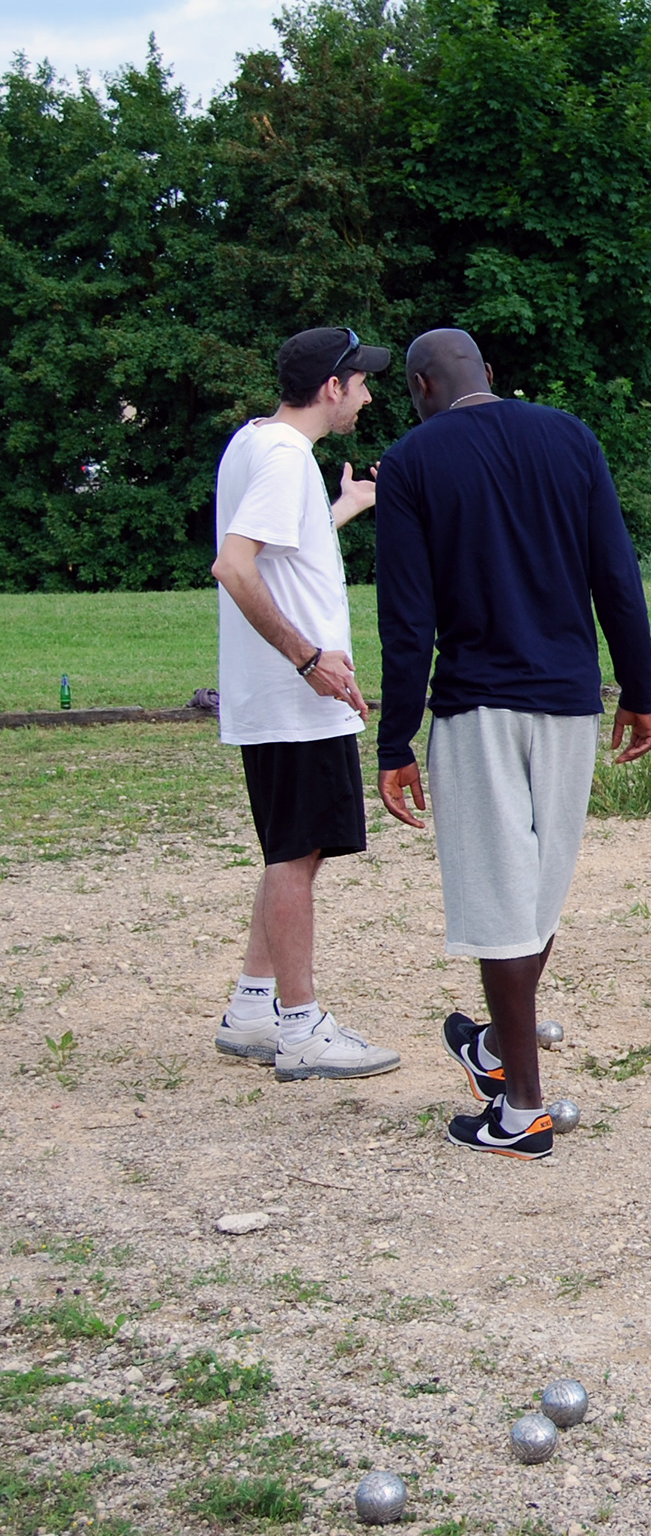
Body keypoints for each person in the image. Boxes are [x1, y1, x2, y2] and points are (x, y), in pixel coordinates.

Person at [374, 329, 651, 1159]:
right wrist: (639, 691)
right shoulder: (570, 436)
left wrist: (395, 740)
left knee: (502, 902)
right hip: (570, 702)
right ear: (489, 374)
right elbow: (617, 576)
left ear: (422, 387)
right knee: (535, 895)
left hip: (479, 706)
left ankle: (520, 1109)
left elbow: (407, 620)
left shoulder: (413, 461)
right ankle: (497, 1045)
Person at [209, 326, 401, 1083]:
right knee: (296, 854)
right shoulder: (286, 458)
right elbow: (234, 565)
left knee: (294, 849)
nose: (368, 395)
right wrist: (308, 659)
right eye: (362, 382)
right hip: (294, 699)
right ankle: (300, 1028)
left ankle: (254, 1007)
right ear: (332, 387)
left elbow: (282, 551)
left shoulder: (256, 443)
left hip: (282, 700)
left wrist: (344, 506)